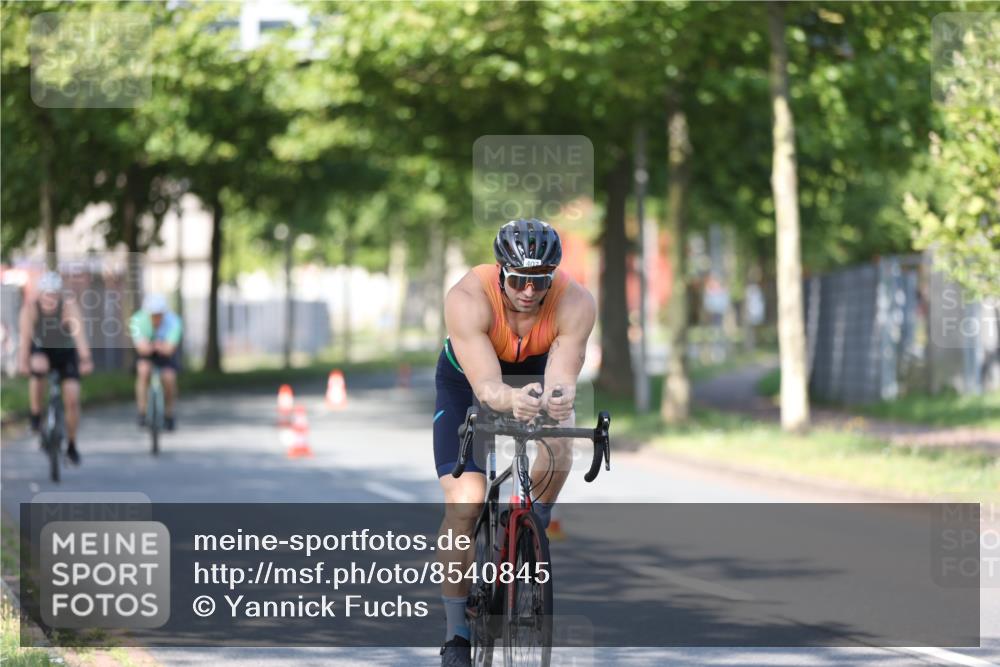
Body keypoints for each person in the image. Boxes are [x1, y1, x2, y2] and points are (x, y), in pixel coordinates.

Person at [434, 219, 596, 666]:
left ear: (553, 277)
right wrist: (508, 399)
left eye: (539, 280)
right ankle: (457, 636)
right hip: (469, 381)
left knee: (560, 441)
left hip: (533, 376)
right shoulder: (468, 298)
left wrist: (558, 401)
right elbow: (486, 387)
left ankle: (532, 525)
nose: (528, 290)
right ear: (501, 271)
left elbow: (562, 374)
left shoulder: (575, 301)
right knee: (465, 503)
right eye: (518, 279)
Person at [17, 271, 94, 464]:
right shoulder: (31, 309)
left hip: (65, 353)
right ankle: (36, 415)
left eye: (54, 294)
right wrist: (23, 362)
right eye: (47, 294)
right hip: (42, 350)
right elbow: (25, 341)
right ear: (40, 294)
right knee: (38, 367)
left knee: (72, 397)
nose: (50, 299)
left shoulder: (69, 308)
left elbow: (79, 336)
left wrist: (85, 359)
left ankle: (72, 444)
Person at [129, 293, 183, 431]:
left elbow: (170, 349)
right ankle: (142, 411)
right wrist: (155, 346)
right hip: (148, 354)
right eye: (153, 315)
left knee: (169, 378)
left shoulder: (174, 321)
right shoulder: (137, 320)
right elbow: (141, 349)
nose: (156, 318)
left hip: (165, 356)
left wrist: (159, 346)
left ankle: (169, 413)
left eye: (159, 315)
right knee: (143, 371)